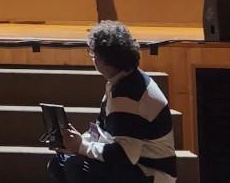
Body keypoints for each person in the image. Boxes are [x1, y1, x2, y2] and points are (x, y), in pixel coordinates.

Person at [49, 21, 177, 183]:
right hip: (133, 163)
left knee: (77, 166)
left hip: (150, 172)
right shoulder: (122, 81)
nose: (93, 59)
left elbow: (123, 155)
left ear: (106, 60)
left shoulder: (129, 95)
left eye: (94, 54)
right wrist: (78, 141)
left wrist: (81, 146)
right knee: (59, 163)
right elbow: (102, 131)